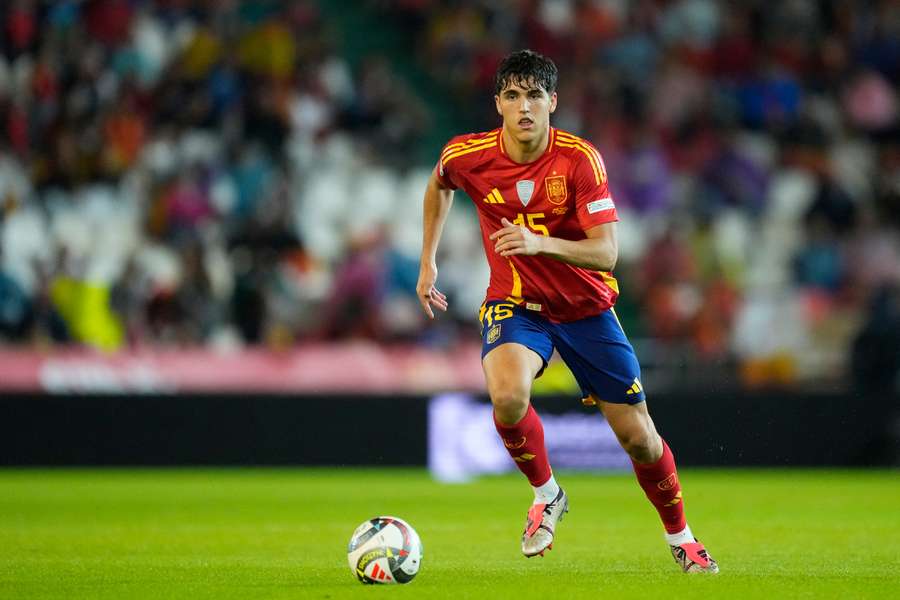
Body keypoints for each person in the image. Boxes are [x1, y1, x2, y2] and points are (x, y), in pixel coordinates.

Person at [416, 50, 718, 573]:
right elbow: (439, 184)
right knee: (508, 397)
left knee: (639, 439)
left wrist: (540, 244)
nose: (524, 107)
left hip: (585, 309)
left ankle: (682, 537)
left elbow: (607, 253)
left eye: (534, 95)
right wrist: (428, 261)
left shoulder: (579, 160)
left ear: (553, 102)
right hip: (515, 303)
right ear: (499, 105)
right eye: (513, 96)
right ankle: (547, 494)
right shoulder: (469, 155)